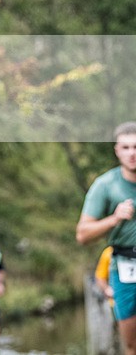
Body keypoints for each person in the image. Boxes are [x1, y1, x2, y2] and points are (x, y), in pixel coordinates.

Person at [77, 121, 136, 355]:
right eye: (126, 147)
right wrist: (114, 218)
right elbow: (82, 234)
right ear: (117, 150)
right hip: (125, 268)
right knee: (131, 344)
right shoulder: (105, 185)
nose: (132, 153)